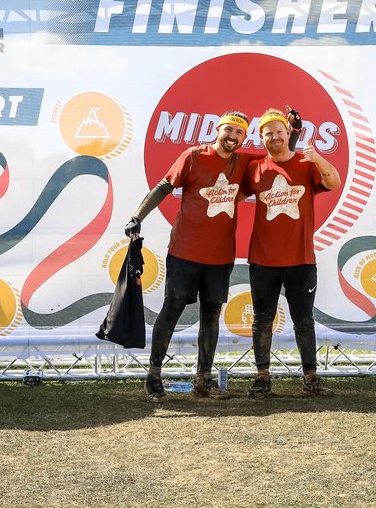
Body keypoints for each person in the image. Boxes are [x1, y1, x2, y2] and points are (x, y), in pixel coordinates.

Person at [126, 112, 252, 402]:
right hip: (185, 252)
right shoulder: (193, 156)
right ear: (217, 130)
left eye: (239, 133)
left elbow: (278, 155)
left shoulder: (244, 161)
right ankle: (154, 378)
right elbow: (163, 187)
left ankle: (203, 381)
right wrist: (137, 216)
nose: (232, 136)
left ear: (244, 138)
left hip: (220, 256)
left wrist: (292, 133)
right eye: (228, 130)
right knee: (172, 309)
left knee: (211, 315)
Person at [241, 108, 341, 399]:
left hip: (301, 259)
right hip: (263, 259)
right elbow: (231, 193)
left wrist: (318, 157)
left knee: (304, 319)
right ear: (261, 138)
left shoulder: (306, 163)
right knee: (262, 319)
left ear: (289, 134)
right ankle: (262, 377)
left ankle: (311, 377)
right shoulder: (255, 168)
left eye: (279, 131)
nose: (274, 136)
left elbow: (333, 182)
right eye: (268, 132)